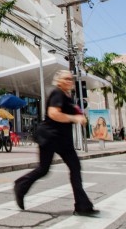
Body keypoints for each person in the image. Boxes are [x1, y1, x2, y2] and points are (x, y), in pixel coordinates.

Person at [14, 70, 98, 216]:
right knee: (44, 169)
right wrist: (75, 118)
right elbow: (54, 114)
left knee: (75, 167)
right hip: (50, 137)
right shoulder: (57, 93)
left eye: (70, 79)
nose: (69, 81)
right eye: (65, 79)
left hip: (63, 140)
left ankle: (82, 205)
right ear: (59, 81)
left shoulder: (68, 96)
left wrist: (80, 116)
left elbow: (74, 112)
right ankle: (20, 186)